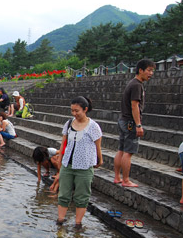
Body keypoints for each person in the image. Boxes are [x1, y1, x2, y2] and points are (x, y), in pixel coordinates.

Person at [56, 96, 103, 228]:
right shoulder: (69, 123)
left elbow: (97, 146)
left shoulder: (93, 126)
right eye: (72, 111)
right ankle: (60, 220)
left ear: (85, 109)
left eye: (77, 111)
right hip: (68, 164)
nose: (74, 114)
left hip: (85, 165)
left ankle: (78, 223)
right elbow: (64, 142)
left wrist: (99, 160)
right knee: (64, 194)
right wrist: (60, 160)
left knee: (82, 196)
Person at [113, 59, 155, 187]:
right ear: (140, 70)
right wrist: (138, 125)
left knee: (121, 149)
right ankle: (125, 180)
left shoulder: (132, 83)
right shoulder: (137, 85)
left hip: (123, 120)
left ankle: (117, 177)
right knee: (128, 152)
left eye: (152, 71)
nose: (151, 73)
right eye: (149, 70)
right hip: (130, 122)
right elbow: (134, 106)